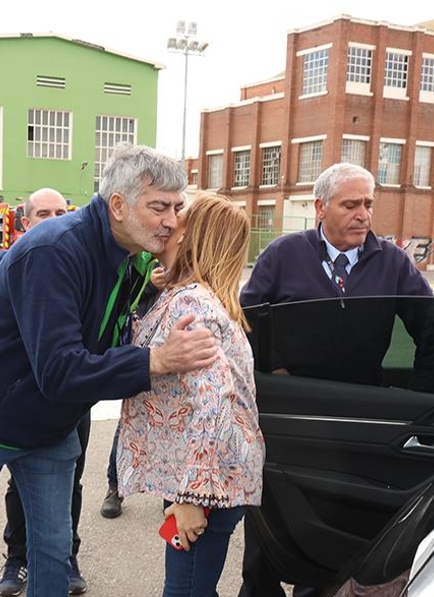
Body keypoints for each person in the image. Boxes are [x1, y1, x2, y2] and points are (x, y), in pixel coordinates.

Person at [0, 144, 219, 597]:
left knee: (54, 555)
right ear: (117, 206)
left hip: (51, 427)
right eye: (159, 206)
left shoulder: (135, 259)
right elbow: (58, 370)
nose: (173, 220)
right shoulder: (54, 249)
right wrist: (155, 361)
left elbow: (110, 337)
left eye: (178, 207)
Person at [237, 162, 434, 597]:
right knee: (271, 522)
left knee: (336, 529)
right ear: (320, 207)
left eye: (368, 204)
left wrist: (416, 404)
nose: (363, 215)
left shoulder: (391, 261)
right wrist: (277, 371)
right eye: (350, 204)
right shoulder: (283, 255)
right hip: (290, 413)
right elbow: (245, 326)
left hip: (358, 419)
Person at [118, 192, 264, 597]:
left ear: (191, 235)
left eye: (178, 214)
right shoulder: (186, 294)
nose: (166, 220)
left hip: (206, 486)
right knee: (193, 587)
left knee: (184, 592)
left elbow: (214, 403)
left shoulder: (193, 305)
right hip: (202, 478)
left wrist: (191, 497)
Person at [0, 188, 91, 596]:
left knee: (72, 481)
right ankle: (17, 559)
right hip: (19, 400)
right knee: (18, 484)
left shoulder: (79, 266)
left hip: (68, 397)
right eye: (43, 213)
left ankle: (67, 556)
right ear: (24, 222)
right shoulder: (3, 263)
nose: (52, 219)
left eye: (61, 212)